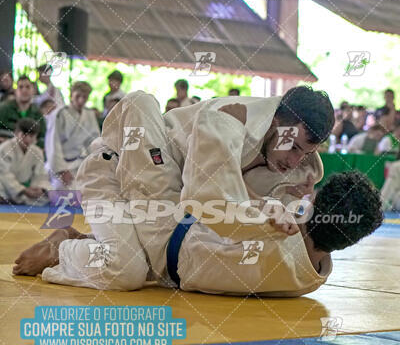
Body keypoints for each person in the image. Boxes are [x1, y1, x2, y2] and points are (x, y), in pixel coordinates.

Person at [15, 87, 338, 291]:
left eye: (306, 152)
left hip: (163, 199)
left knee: (161, 255)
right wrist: (265, 211)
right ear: (276, 120)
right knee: (127, 271)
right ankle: (61, 250)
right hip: (114, 176)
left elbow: (250, 205)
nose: (296, 160)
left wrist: (290, 202)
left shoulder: (298, 168)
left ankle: (88, 239)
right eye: (293, 146)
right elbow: (206, 197)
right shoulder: (227, 120)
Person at [45, 81, 100, 190]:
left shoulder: (89, 114)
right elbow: (53, 143)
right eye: (78, 96)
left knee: (95, 189)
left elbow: (94, 142)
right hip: (62, 164)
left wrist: (96, 165)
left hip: (81, 163)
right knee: (62, 192)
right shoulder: (59, 114)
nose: (81, 100)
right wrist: (62, 170)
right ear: (71, 95)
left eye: (84, 97)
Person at [0, 118, 51, 205]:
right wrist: (22, 190)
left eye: (31, 136)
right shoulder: (5, 148)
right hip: (6, 186)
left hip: (27, 189)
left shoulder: (37, 151)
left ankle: (19, 199)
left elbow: (41, 175)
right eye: (24, 135)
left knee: (49, 193)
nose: (27, 139)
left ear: (36, 136)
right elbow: (4, 174)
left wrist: (38, 189)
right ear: (16, 133)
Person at [0, 75, 46, 147]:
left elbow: (43, 138)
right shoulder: (3, 109)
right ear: (15, 91)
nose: (24, 90)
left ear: (33, 91)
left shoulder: (38, 113)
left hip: (30, 153)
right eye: (20, 87)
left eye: (28, 87)